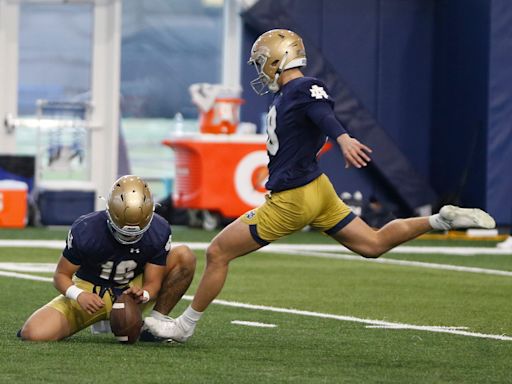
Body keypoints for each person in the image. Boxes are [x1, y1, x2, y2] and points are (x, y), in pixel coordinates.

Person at [144, 29, 496, 342]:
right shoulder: (289, 93)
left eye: (262, 62)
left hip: (293, 198)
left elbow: (322, 112)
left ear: (277, 60)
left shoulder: (300, 87)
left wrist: (342, 138)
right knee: (372, 243)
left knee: (219, 252)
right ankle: (441, 220)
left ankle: (185, 325)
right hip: (318, 189)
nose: (259, 69)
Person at [19, 175, 196, 341]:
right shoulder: (86, 229)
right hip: (91, 292)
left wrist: (144, 294)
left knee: (184, 256)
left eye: (136, 234)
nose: (129, 238)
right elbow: (60, 276)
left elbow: (153, 282)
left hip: (130, 289)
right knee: (33, 333)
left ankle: (155, 326)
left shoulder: (159, 229)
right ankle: (100, 316)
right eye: (123, 232)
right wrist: (79, 295)